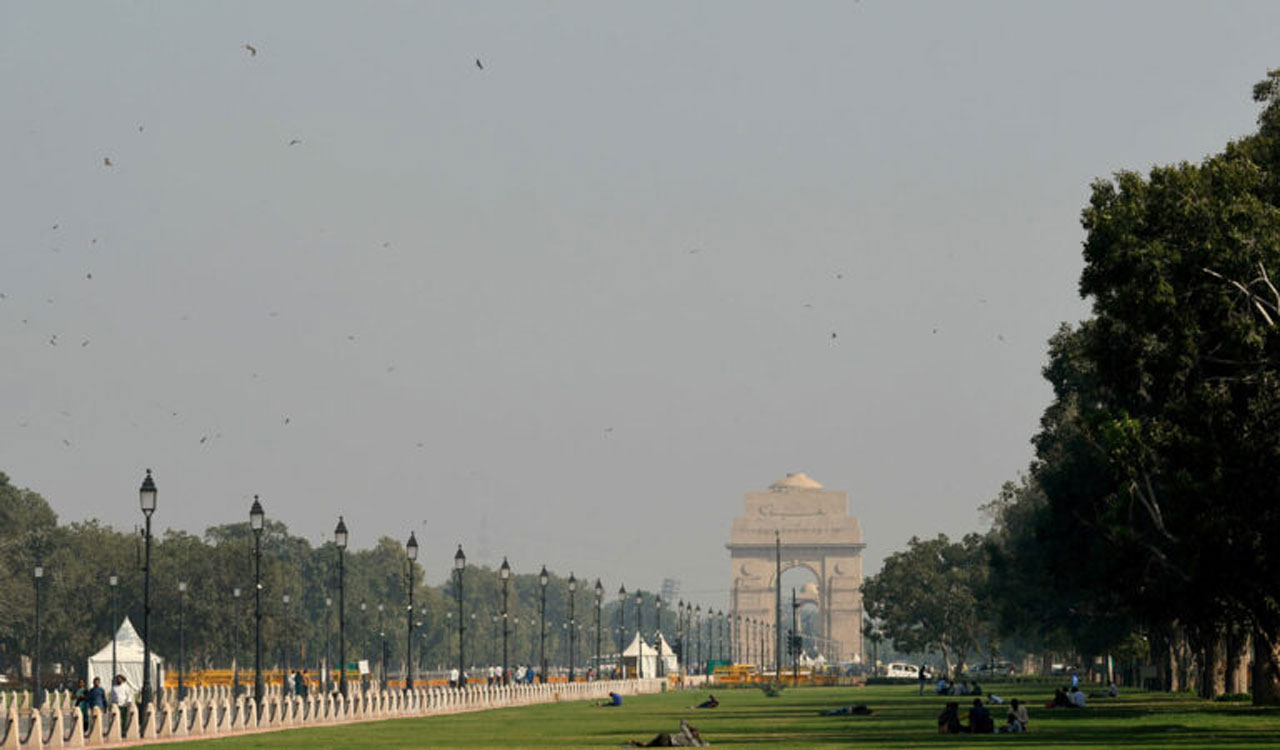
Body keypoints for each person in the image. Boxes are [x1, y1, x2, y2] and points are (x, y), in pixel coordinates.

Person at [627, 719, 707, 747]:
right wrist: (700, 740)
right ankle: (635, 743)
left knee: (648, 744)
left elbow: (682, 722)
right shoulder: (693, 742)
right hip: (668, 743)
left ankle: (635, 743)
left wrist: (689, 726)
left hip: (666, 737)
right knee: (648, 745)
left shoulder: (687, 733)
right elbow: (702, 745)